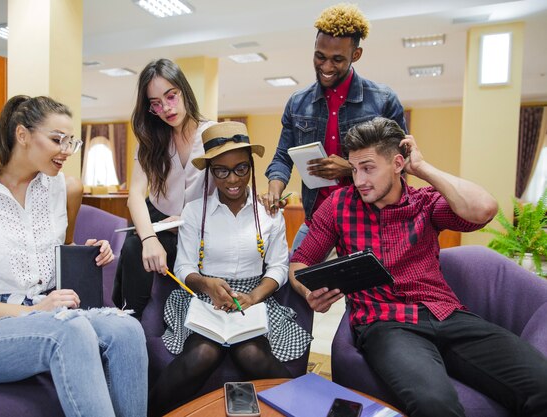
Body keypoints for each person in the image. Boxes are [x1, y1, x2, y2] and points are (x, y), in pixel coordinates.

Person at [289, 117, 547, 417]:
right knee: (435, 405)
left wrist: (423, 168)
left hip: (447, 314)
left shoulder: (425, 203)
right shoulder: (339, 205)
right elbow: (300, 262)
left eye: (368, 168)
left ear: (398, 163)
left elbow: (484, 209)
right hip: (386, 323)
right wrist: (309, 290)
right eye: (355, 168)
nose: (358, 180)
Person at [0, 95, 148, 417]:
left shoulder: (66, 189)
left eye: (71, 141)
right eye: (57, 140)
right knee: (69, 331)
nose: (67, 151)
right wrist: (29, 312)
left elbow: (56, 257)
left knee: (126, 330)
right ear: (22, 134)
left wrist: (87, 253)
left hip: (48, 314)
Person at [148, 122, 312, 416]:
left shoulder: (268, 212)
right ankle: (147, 410)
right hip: (205, 297)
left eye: (241, 168)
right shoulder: (194, 211)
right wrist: (207, 284)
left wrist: (254, 296)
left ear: (251, 167)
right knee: (202, 353)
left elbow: (277, 266)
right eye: (221, 170)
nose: (232, 179)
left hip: (255, 299)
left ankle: (303, 410)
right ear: (210, 171)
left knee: (250, 352)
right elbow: (184, 266)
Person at [263, 3, 407, 251]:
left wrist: (350, 169)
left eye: (337, 59)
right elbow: (282, 158)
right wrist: (274, 188)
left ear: (356, 55)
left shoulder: (383, 100)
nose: (326, 67)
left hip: (368, 221)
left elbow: (401, 166)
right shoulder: (298, 103)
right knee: (296, 282)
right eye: (320, 56)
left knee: (360, 290)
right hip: (317, 221)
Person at [113, 58, 216, 318]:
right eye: (156, 104)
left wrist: (187, 219)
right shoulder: (150, 138)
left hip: (200, 224)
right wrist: (149, 239)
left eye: (171, 96)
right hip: (158, 222)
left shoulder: (213, 134)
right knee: (134, 248)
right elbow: (135, 194)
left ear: (183, 91)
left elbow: (228, 192)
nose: (166, 108)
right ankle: (129, 321)